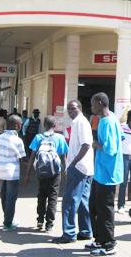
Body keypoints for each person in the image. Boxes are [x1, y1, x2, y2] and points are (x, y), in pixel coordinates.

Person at [86, 92, 123, 256]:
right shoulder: (110, 118)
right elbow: (120, 137)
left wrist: (96, 144)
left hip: (108, 174)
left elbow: (111, 149)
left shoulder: (107, 122)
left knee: (104, 210)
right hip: (101, 172)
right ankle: (99, 239)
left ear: (100, 103)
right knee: (93, 206)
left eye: (93, 103)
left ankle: (109, 244)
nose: (91, 107)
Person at [53, 100, 94, 243]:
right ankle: (85, 231)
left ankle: (69, 234)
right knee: (83, 201)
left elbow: (86, 145)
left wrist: (73, 164)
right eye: (69, 109)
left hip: (79, 168)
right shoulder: (79, 122)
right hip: (86, 168)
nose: (70, 111)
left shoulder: (79, 122)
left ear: (80, 109)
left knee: (69, 201)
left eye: (73, 109)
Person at [24, 116, 68, 233]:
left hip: (42, 172)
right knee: (53, 197)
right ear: (55, 126)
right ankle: (49, 224)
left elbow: (32, 157)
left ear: (44, 125)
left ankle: (40, 220)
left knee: (42, 195)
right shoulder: (60, 138)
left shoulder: (38, 137)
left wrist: (27, 174)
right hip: (55, 172)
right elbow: (63, 157)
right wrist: (65, 172)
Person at [0, 115, 26, 231]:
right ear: (17, 126)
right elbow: (22, 158)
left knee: (4, 196)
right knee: (11, 198)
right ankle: (8, 223)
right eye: (21, 124)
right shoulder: (18, 140)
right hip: (12, 173)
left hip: (2, 170)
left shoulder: (1, 137)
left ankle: (7, 217)